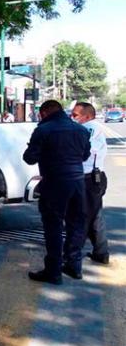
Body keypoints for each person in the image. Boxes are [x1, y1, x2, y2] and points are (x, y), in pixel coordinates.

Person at [23, 100, 90, 285]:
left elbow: (29, 158)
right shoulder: (81, 130)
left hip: (54, 184)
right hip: (78, 183)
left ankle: (53, 272)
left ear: (44, 113)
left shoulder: (43, 130)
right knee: (76, 224)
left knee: (53, 227)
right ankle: (74, 266)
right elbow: (84, 155)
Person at [71, 102, 110, 264]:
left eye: (75, 115)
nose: (71, 118)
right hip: (93, 178)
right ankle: (101, 252)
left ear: (87, 117)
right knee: (95, 216)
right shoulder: (90, 128)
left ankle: (73, 256)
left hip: (89, 179)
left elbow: (82, 151)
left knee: (83, 217)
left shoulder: (89, 128)